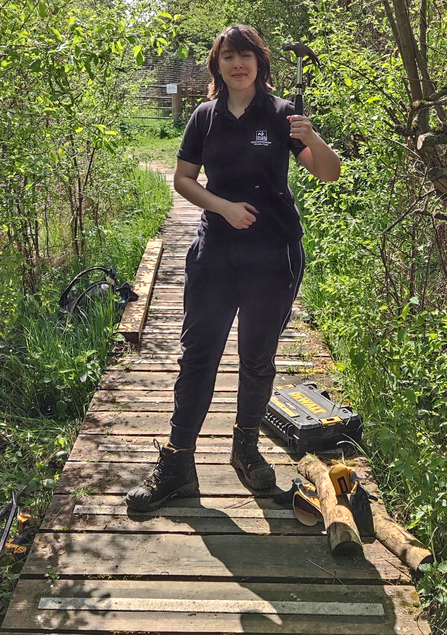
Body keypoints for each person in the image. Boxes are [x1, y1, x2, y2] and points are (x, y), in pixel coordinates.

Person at [126, 25, 340, 512]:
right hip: (216, 251)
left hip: (275, 254)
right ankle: (178, 464)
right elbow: (183, 179)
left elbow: (328, 172)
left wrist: (313, 137)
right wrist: (222, 207)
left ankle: (245, 449)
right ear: (217, 65)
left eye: (246, 55)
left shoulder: (284, 114)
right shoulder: (205, 117)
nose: (238, 64)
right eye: (228, 57)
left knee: (258, 357)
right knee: (198, 353)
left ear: (259, 62)